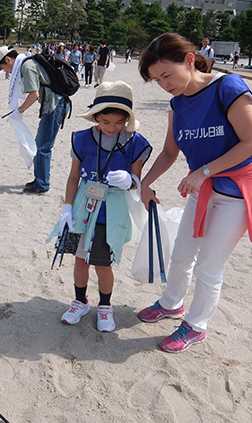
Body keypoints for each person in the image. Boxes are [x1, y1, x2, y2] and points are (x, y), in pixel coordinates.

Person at [136, 33, 252, 353]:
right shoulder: (177, 103)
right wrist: (145, 182)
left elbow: (251, 142)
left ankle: (196, 325)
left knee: (209, 264)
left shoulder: (229, 87)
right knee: (182, 253)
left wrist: (205, 170)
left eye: (167, 75)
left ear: (188, 60)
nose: (164, 84)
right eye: (157, 80)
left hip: (237, 189)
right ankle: (172, 303)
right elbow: (170, 152)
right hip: (202, 186)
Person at [48, 81, 151, 332]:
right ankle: (80, 302)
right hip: (84, 203)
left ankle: (105, 306)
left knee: (103, 264)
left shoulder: (135, 142)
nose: (111, 128)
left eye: (118, 123)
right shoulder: (82, 139)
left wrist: (130, 181)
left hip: (112, 207)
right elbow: (74, 177)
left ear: (127, 119)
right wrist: (67, 207)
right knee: (80, 260)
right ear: (96, 117)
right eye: (105, 122)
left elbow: (137, 182)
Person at [0, 46, 67, 195]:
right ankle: (39, 179)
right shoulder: (27, 63)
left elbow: (34, 95)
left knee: (42, 146)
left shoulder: (26, 66)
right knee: (40, 144)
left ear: (8, 60)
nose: (7, 72)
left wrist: (20, 111)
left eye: (5, 68)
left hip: (54, 105)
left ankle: (42, 183)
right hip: (53, 105)